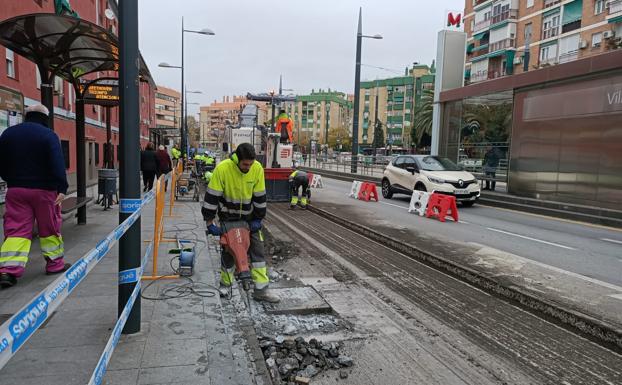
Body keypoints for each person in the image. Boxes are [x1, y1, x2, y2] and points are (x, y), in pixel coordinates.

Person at [0, 104, 70, 288]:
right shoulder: (48, 135)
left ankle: (8, 270)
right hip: (45, 191)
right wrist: (62, 186)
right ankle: (55, 264)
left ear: (27, 115)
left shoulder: (8, 134)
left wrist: (10, 179)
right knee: (49, 227)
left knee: (16, 230)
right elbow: (57, 162)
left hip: (16, 190)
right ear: (45, 117)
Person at [202, 143, 279, 303]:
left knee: (257, 251)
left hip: (249, 219)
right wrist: (210, 223)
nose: (248, 167)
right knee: (229, 252)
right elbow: (212, 197)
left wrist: (258, 218)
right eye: (245, 164)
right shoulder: (223, 169)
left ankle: (261, 290)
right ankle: (226, 285)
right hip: (228, 218)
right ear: (237, 159)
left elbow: (260, 196)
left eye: (251, 164)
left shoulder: (257, 168)